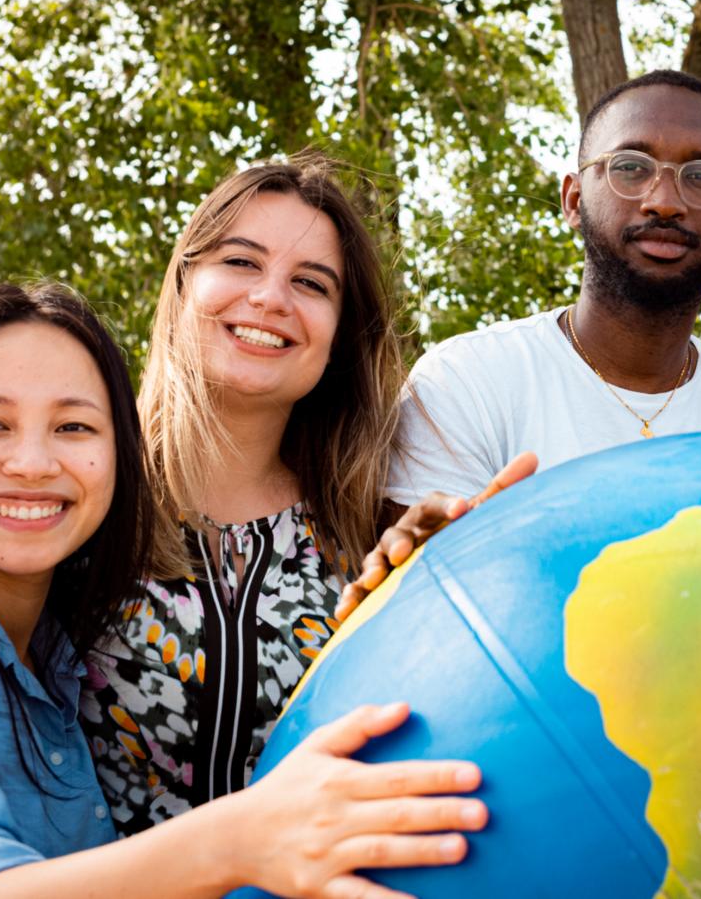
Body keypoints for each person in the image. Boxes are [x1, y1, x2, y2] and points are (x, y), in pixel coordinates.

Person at [0, 283, 485, 899]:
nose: (33, 462)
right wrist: (240, 840)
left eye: (74, 426)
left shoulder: (57, 635)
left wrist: (453, 570)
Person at [79, 158, 519, 832]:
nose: (270, 298)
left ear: (340, 335)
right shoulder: (82, 495)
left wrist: (463, 585)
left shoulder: (369, 539)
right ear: (184, 283)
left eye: (311, 283)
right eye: (241, 261)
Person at [386, 70, 701, 508]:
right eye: (630, 167)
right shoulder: (466, 382)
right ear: (574, 200)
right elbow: (421, 549)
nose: (664, 202)